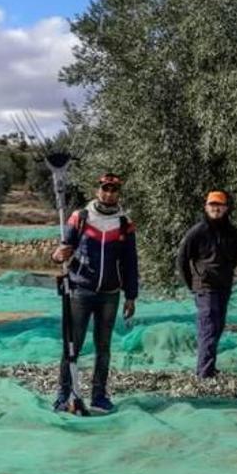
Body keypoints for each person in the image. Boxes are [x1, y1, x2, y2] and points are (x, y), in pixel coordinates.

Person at [51, 173, 139, 413]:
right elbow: (62, 248)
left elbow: (130, 262)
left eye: (114, 189)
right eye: (105, 188)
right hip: (80, 290)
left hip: (110, 294)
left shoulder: (124, 223)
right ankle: (63, 394)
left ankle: (99, 395)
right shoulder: (80, 217)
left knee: (104, 348)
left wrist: (131, 295)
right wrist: (58, 255)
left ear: (119, 193)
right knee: (72, 345)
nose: (109, 193)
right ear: (97, 190)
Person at [176, 190, 237, 379]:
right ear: (206, 207)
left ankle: (209, 368)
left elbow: (236, 257)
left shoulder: (232, 231)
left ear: (226, 208)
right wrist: (192, 283)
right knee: (208, 328)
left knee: (218, 326)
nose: (215, 208)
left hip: (224, 286)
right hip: (205, 288)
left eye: (219, 205)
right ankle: (204, 374)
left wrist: (227, 272)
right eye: (212, 205)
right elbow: (182, 259)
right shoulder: (197, 232)